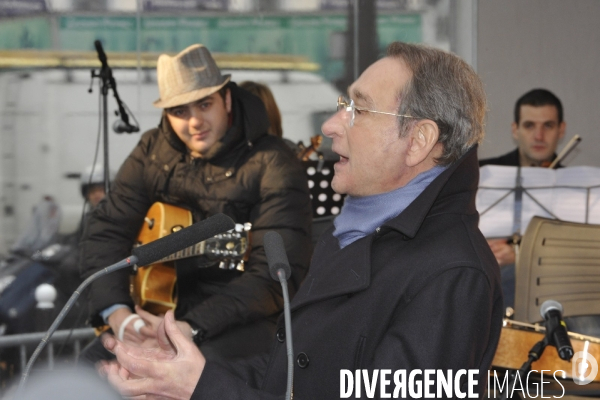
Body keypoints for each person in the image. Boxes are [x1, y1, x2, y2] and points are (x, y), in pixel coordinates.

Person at [100, 41, 503, 399]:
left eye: (357, 109)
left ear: (418, 141)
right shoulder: (353, 234)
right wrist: (173, 379)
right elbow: (291, 374)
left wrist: (203, 388)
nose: (330, 126)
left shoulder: (453, 276)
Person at [79, 44, 312, 362]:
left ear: (226, 99)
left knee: (192, 377)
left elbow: (273, 277)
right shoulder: (152, 150)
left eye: (204, 105)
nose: (194, 121)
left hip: (238, 322)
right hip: (152, 312)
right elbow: (108, 230)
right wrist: (118, 315)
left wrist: (189, 328)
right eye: (179, 112)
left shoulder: (273, 161)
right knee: (90, 368)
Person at [479, 89, 565, 308]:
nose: (539, 136)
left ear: (561, 130)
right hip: (493, 273)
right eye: (529, 126)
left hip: (552, 280)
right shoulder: (484, 173)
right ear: (515, 130)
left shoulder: (572, 185)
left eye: (548, 125)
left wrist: (520, 255)